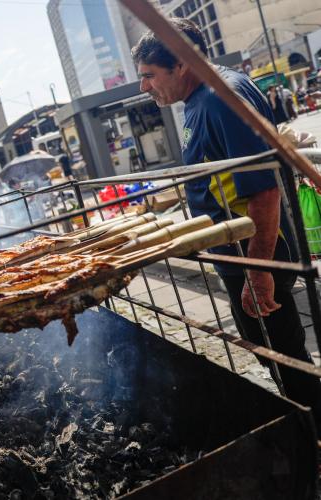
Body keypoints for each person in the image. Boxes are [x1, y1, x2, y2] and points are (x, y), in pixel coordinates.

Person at [132, 19, 321, 429]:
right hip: (236, 253)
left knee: (286, 357)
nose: (144, 88)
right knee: (267, 348)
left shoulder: (222, 99)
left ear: (180, 64)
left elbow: (264, 191)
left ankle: (315, 435)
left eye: (149, 76)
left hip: (254, 252)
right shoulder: (199, 100)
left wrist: (259, 272)